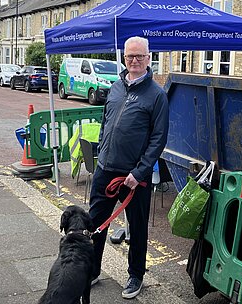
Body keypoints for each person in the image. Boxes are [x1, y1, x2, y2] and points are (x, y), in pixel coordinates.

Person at [89, 36, 169, 299]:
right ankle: (93, 270)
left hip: (134, 176)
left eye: (139, 56)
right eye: (129, 56)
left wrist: (140, 171)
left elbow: (159, 138)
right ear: (124, 58)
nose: (134, 61)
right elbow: (105, 122)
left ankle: (136, 276)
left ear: (148, 58)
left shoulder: (156, 95)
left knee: (136, 228)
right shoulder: (115, 87)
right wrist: (101, 151)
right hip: (105, 170)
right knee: (96, 223)